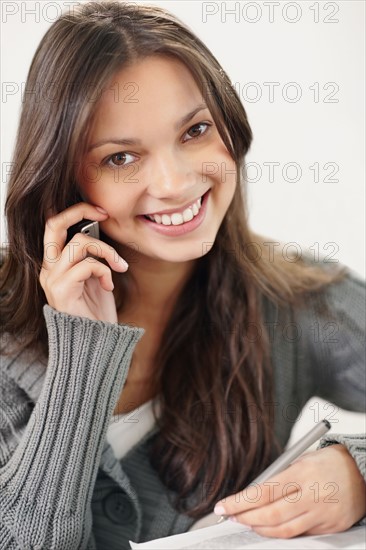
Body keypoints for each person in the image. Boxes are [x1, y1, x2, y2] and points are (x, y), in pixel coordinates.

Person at [0, 2, 365, 549]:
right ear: (63, 178)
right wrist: (83, 350)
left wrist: (359, 471)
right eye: (121, 158)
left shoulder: (297, 299)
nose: (174, 182)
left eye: (195, 130)